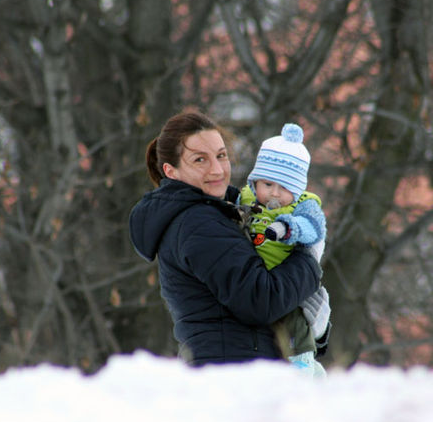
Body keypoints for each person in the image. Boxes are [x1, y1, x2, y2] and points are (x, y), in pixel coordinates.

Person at [128, 108, 331, 367]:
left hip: (239, 366)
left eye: (221, 156)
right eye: (200, 160)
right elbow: (260, 300)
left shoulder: (224, 211)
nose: (217, 169)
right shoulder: (198, 224)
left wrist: (310, 331)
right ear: (171, 171)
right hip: (230, 373)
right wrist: (308, 260)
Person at [238, 123, 330, 377]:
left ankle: (304, 360)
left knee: (295, 319)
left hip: (287, 275)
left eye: (285, 188)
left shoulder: (304, 204)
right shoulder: (245, 198)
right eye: (267, 184)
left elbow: (314, 227)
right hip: (257, 276)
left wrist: (290, 228)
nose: (274, 194)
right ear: (255, 181)